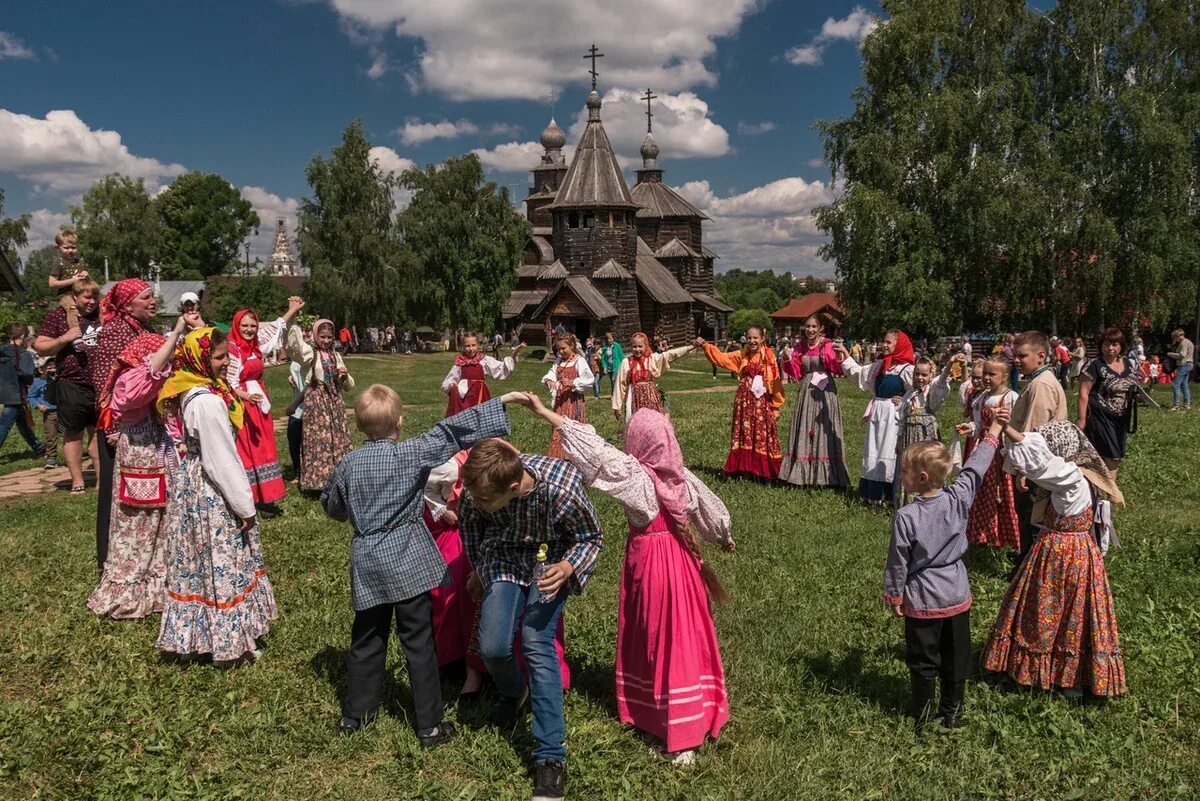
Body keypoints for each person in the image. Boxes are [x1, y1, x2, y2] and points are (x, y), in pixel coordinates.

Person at [523, 395, 733, 765]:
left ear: (638, 444)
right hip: (684, 566)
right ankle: (691, 710)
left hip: (652, 567)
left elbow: (596, 451)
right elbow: (712, 516)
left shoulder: (636, 477)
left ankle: (672, 729)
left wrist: (547, 415)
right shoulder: (682, 479)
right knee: (684, 631)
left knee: (656, 633)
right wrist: (724, 537)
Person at [321, 387, 519, 745]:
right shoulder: (410, 453)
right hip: (408, 562)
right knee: (418, 642)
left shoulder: (348, 463)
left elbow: (333, 507)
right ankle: (429, 726)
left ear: (359, 424)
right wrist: (498, 404)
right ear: (400, 419)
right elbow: (449, 432)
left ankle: (355, 716)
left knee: (366, 638)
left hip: (368, 563)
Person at [459, 437, 603, 801]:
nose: (475, 504)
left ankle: (550, 757)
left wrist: (569, 565)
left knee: (537, 642)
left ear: (512, 486)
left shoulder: (562, 487)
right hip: (504, 560)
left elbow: (591, 537)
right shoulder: (480, 486)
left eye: (484, 501)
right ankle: (514, 692)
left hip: (550, 562)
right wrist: (479, 568)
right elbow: (472, 528)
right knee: (492, 647)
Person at [154, 327, 277, 666]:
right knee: (220, 560)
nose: (225, 363)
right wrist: (244, 505)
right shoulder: (206, 401)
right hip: (210, 488)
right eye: (218, 357)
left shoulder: (195, 390)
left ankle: (205, 635)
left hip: (194, 484)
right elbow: (221, 460)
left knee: (201, 561)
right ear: (200, 359)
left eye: (226, 356)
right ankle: (228, 646)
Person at [884, 405, 1008, 730]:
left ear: (921, 478)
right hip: (956, 595)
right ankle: (952, 713)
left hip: (923, 601)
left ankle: (923, 715)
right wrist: (993, 431)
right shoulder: (959, 498)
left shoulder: (906, 517)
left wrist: (895, 596)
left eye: (905, 472)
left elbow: (898, 562)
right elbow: (975, 469)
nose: (901, 476)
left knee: (924, 661)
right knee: (956, 658)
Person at [982, 420, 1126, 698]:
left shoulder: (1070, 476)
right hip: (1082, 550)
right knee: (1078, 612)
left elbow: (1038, 462)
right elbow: (1040, 464)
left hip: (1060, 552)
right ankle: (1074, 675)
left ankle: (1052, 673)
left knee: (1048, 606)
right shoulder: (1085, 473)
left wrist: (1006, 427)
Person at [89, 312, 199, 619]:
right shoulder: (128, 382)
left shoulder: (155, 379)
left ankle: (161, 587)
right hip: (140, 459)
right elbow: (150, 374)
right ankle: (130, 589)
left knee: (163, 522)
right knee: (139, 524)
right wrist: (175, 332)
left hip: (157, 457)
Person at [90, 279, 160, 573]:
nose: (153, 301)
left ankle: (144, 551)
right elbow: (105, 382)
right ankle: (109, 557)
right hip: (118, 425)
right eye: (146, 297)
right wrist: (111, 427)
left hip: (145, 423)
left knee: (144, 489)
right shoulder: (114, 332)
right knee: (115, 492)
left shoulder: (147, 330)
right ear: (128, 304)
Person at [227, 298, 306, 517]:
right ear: (236, 326)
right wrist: (245, 397)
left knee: (265, 449)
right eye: (245, 326)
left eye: (253, 325)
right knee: (246, 452)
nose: (250, 330)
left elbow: (275, 327)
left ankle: (266, 496)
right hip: (242, 408)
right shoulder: (232, 351)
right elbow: (228, 384)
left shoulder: (255, 346)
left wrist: (291, 310)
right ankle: (249, 499)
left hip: (259, 405)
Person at [35, 278, 103, 493]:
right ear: (75, 297)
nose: (91, 301)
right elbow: (40, 346)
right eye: (87, 297)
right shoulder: (59, 316)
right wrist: (63, 338)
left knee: (98, 432)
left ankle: (103, 480)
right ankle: (77, 481)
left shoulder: (102, 315)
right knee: (73, 433)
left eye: (94, 297)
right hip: (72, 383)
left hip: (101, 383)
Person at [1006, 331, 1068, 561]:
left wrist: (1023, 470)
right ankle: (1026, 559)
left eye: (1022, 355)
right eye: (1015, 355)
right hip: (1039, 464)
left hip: (1036, 466)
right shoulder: (1039, 381)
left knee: (1032, 515)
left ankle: (1029, 565)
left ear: (1040, 356)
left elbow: (1035, 431)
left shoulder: (1041, 385)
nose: (1016, 360)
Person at [835, 330, 916, 504]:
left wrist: (905, 400)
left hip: (893, 416)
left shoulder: (907, 369)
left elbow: (918, 390)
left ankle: (889, 495)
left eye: (888, 342)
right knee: (873, 449)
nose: (884, 345)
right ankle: (871, 495)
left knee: (888, 450)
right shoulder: (881, 365)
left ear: (899, 344)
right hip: (877, 414)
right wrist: (845, 353)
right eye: (883, 342)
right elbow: (860, 375)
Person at [696, 327, 785, 481]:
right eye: (749, 338)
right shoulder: (742, 355)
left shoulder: (769, 358)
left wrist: (775, 405)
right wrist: (705, 345)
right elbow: (721, 358)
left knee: (761, 432)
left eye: (755, 338)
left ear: (763, 338)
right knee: (745, 431)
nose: (752, 341)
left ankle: (763, 471)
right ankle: (745, 469)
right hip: (744, 400)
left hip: (762, 402)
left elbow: (775, 383)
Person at [778, 316, 850, 489]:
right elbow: (795, 371)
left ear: (820, 328)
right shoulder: (801, 346)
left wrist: (839, 355)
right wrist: (788, 359)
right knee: (805, 426)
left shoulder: (827, 345)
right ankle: (801, 473)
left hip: (826, 392)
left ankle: (827, 475)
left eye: (813, 326)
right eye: (807, 326)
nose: (810, 329)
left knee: (824, 429)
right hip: (807, 390)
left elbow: (836, 367)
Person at [957, 355, 1020, 550]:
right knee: (983, 492)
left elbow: (1016, 427)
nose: (986, 378)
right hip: (984, 449)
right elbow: (978, 423)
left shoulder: (1010, 397)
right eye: (984, 373)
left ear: (1004, 376)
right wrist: (970, 428)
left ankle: (1004, 537)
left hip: (1001, 452)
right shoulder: (982, 397)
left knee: (1001, 494)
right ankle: (983, 533)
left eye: (991, 374)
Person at [285, 319, 355, 492]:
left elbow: (346, 385)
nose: (326, 340)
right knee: (320, 441)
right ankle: (319, 481)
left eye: (329, 337)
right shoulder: (310, 353)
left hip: (335, 402)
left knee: (337, 439)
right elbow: (295, 347)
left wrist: (343, 375)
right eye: (322, 337)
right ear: (316, 336)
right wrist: (293, 321)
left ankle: (339, 477)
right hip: (317, 405)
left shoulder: (335, 355)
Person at [894, 356, 956, 505]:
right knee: (910, 464)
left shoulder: (931, 393)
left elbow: (941, 383)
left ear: (931, 376)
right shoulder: (909, 395)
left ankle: (929, 499)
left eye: (924, 374)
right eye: (917, 374)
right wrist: (899, 439)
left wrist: (948, 366)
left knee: (926, 464)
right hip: (909, 438)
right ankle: (908, 501)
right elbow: (902, 418)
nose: (920, 378)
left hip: (925, 436)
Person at [1078, 327, 1139, 479]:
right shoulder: (1094, 365)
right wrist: (1081, 419)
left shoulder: (1128, 363)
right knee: (1113, 457)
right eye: (1107, 344)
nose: (1110, 348)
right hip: (1100, 416)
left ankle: (1100, 491)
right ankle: (1110, 494)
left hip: (1121, 417)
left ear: (1121, 346)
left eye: (1115, 344)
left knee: (1112, 454)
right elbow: (1083, 393)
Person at [611, 333, 693, 421]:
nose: (637, 349)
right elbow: (620, 385)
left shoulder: (652, 359)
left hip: (651, 398)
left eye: (640, 346)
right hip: (634, 399)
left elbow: (671, 354)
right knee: (636, 423)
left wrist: (691, 347)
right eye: (634, 347)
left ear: (645, 346)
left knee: (654, 422)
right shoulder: (626, 363)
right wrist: (617, 407)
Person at [440, 332, 524, 417]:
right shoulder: (460, 362)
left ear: (478, 345)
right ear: (463, 346)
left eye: (473, 345)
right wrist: (451, 385)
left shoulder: (483, 360)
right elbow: (451, 378)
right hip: (465, 396)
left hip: (480, 393)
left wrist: (513, 355)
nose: (471, 349)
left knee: (481, 416)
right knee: (465, 416)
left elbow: (500, 368)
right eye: (467, 346)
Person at [541, 334, 594, 459]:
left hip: (573, 401)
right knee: (558, 428)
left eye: (563, 348)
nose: (561, 352)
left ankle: (573, 458)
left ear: (571, 346)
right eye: (559, 349)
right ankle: (558, 457)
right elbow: (551, 374)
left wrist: (572, 383)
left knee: (572, 428)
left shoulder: (579, 360)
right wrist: (549, 381)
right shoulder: (559, 361)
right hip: (560, 401)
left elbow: (589, 380)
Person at [0, 323, 44, 458]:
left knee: (22, 423)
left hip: (4, 391)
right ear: (24, 336)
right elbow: (27, 374)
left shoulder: (2, 351)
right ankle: (39, 448)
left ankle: (39, 448)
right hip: (17, 393)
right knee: (4, 425)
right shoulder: (23, 354)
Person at [47, 228, 90, 332]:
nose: (70, 250)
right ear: (58, 248)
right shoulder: (58, 263)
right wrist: (73, 280)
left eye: (73, 247)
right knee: (72, 308)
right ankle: (75, 333)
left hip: (80, 294)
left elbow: (86, 281)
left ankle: (105, 327)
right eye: (66, 248)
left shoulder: (79, 262)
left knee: (100, 301)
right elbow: (52, 283)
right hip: (65, 296)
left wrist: (86, 275)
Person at [28, 358, 58, 469]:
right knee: (50, 435)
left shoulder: (61, 380)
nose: (52, 370)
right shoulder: (38, 382)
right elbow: (31, 396)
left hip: (64, 411)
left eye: (54, 367)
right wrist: (38, 405)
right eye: (49, 368)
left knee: (69, 435)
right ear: (41, 370)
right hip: (49, 412)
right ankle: (51, 457)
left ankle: (72, 455)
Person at [284, 357, 305, 485]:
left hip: (308, 407)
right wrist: (292, 376)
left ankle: (307, 472)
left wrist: (295, 404)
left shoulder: (312, 356)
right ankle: (298, 471)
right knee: (293, 439)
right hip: (297, 410)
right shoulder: (296, 358)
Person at [1167, 328, 1193, 411]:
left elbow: (1182, 354)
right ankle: (1187, 405)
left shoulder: (1183, 343)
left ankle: (1176, 405)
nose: (1175, 339)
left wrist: (1171, 354)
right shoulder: (1188, 341)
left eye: (1174, 337)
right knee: (1184, 385)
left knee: (1176, 384)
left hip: (1184, 365)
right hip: (1189, 364)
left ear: (1177, 336)